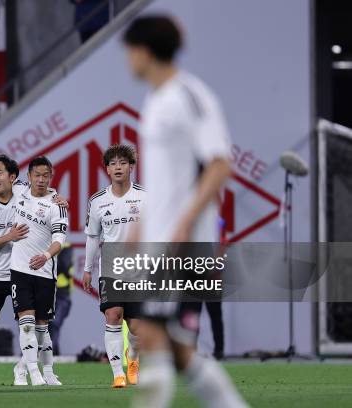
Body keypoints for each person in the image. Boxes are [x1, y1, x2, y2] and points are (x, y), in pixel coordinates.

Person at [123, 16, 248, 407]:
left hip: (184, 242)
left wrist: (183, 223)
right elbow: (164, 183)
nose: (127, 60)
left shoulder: (189, 96)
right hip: (162, 239)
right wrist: (140, 229)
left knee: (153, 336)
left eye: (129, 51)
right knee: (175, 346)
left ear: (143, 51)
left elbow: (219, 165)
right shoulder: (156, 100)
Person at [0, 154, 68, 386]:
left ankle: (28, 369)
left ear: (13, 177)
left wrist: (58, 197)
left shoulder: (22, 192)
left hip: (23, 270)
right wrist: (10, 236)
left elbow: (44, 188)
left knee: (33, 326)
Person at [82, 144, 145, 388]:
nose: (118, 167)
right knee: (113, 315)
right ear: (107, 169)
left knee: (137, 328)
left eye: (123, 163)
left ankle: (133, 359)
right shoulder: (97, 201)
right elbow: (92, 237)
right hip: (110, 267)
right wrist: (88, 269)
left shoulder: (144, 197)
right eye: (113, 163)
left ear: (131, 166)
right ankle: (118, 373)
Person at [8, 156, 69, 386]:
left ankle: (41, 370)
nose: (41, 180)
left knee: (42, 330)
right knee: (26, 324)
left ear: (51, 177)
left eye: (46, 175)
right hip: (19, 269)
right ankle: (34, 373)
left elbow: (59, 240)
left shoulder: (58, 205)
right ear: (29, 176)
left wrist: (45, 256)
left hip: (44, 272)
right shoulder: (19, 191)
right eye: (37, 175)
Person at [49, 242, 74, 356]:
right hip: (44, 289)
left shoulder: (66, 246)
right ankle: (50, 353)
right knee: (42, 324)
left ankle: (53, 353)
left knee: (54, 324)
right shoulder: (39, 244)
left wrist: (47, 257)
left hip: (61, 292)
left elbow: (64, 265)